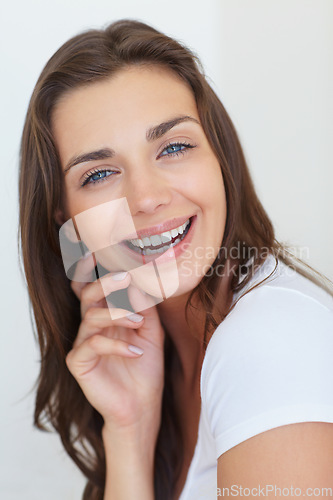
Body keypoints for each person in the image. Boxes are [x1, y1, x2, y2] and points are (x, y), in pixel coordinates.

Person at [18, 19, 333, 500]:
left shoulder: (269, 339)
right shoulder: (160, 351)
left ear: (219, 157)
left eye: (175, 147)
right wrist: (130, 430)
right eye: (100, 173)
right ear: (64, 214)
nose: (146, 198)